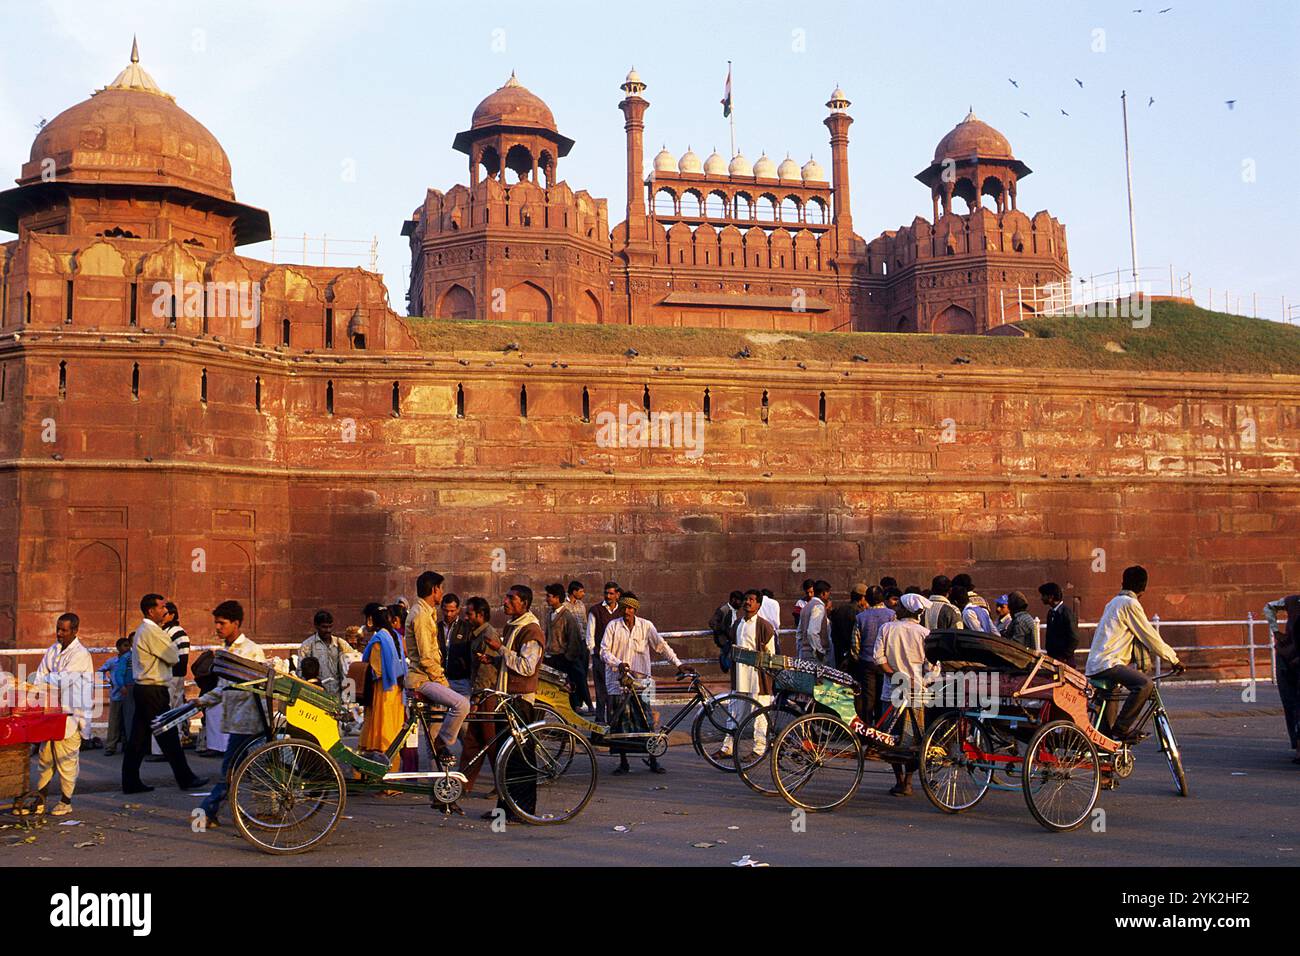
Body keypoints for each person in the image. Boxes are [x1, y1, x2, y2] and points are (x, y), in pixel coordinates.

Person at [194, 601, 274, 829]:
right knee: (238, 769)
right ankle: (214, 812)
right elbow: (223, 687)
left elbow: (257, 686)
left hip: (251, 720)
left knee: (234, 769)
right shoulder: (227, 652)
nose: (218, 627)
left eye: (222, 623)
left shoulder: (251, 650)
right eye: (216, 623)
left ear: (235, 624)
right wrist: (202, 700)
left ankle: (208, 811)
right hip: (237, 720)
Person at [1084, 566, 1184, 741]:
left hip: (1096, 664)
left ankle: (1106, 747)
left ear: (1123, 583)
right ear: (1143, 588)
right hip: (1108, 664)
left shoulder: (1114, 602)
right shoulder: (1130, 604)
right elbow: (1149, 635)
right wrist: (1173, 659)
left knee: (1106, 731)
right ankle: (1121, 729)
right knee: (1145, 685)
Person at [122, 593, 207, 794]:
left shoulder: (147, 630)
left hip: (146, 689)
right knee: (167, 735)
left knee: (138, 738)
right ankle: (185, 777)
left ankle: (130, 781)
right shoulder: (152, 631)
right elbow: (173, 656)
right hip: (153, 690)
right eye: (161, 607)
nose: (165, 610)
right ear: (151, 611)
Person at [480, 585, 546, 821]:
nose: (506, 601)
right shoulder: (513, 627)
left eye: (511, 598)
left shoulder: (531, 631)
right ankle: (505, 809)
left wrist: (501, 649)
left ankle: (524, 809)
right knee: (505, 756)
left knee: (520, 757)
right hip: (506, 699)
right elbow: (510, 663)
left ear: (524, 603)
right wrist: (494, 659)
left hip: (519, 701)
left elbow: (527, 667)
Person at [600, 593, 684, 774]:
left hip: (642, 683)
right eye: (623, 608)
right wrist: (618, 663)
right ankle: (623, 763)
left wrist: (679, 664)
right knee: (620, 724)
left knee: (646, 723)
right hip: (618, 682)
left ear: (635, 609)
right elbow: (604, 651)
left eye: (630, 608)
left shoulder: (646, 626)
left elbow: (662, 647)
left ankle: (653, 760)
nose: (626, 611)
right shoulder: (613, 626)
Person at [23, 613, 94, 816]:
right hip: (51, 712)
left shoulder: (80, 654)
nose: (59, 633)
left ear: (74, 631)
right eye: (58, 629)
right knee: (45, 758)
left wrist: (45, 679)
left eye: (64, 630)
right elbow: (40, 675)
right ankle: (41, 798)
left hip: (72, 714)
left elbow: (61, 680)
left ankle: (66, 801)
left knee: (66, 759)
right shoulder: (53, 650)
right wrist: (45, 679)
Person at [407, 571, 469, 766]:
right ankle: (443, 742)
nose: (442, 592)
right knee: (461, 705)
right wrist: (443, 683)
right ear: (434, 589)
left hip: (427, 678)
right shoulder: (421, 616)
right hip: (423, 679)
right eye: (441, 588)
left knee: (432, 732)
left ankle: (438, 789)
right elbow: (426, 658)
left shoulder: (425, 612)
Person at [874, 593, 933, 796]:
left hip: (890, 693)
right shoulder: (925, 633)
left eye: (898, 605)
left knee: (890, 738)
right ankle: (908, 782)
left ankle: (899, 780)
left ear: (904, 609)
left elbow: (878, 659)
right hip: (917, 694)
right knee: (913, 740)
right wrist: (920, 682)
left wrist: (895, 676)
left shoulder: (887, 629)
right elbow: (933, 668)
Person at [714, 590, 776, 761]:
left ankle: (759, 749)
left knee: (760, 716)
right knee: (734, 713)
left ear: (758, 605)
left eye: (752, 600)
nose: (748, 602)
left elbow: (771, 656)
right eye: (746, 599)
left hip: (759, 680)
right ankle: (728, 747)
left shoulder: (765, 626)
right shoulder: (737, 624)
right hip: (740, 677)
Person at [358, 602, 408, 770]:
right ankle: (391, 774)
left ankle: (380, 776)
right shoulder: (395, 636)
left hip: (382, 692)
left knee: (380, 734)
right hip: (397, 691)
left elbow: (377, 670)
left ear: (371, 619)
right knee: (392, 734)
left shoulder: (379, 639)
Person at [460, 596, 500, 795]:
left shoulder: (487, 635)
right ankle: (463, 783)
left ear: (480, 615)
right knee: (472, 742)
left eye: (470, 613)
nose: (466, 617)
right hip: (480, 694)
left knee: (490, 742)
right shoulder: (477, 634)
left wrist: (476, 699)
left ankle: (502, 784)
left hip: (486, 695)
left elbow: (486, 672)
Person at [1262, 594, 1300, 763]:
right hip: (1290, 657)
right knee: (1294, 704)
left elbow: (1269, 607)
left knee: (1293, 704)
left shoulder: (1293, 601)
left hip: (1289, 656)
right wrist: (1277, 632)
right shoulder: (1293, 601)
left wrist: (1276, 631)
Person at [852, 586, 896, 722]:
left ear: (868, 599)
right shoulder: (891, 615)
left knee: (868, 698)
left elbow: (855, 644)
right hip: (885, 663)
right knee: (883, 697)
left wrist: (858, 658)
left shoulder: (860, 617)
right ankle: (882, 727)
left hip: (867, 662)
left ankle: (868, 729)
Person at [542, 583, 586, 711]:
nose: (546, 599)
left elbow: (574, 638)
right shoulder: (550, 615)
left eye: (548, 596)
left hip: (563, 658)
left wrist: (567, 657)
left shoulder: (567, 616)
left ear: (556, 598)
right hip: (551, 657)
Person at [298, 609, 361, 698]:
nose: (328, 630)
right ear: (316, 626)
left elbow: (352, 666)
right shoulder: (307, 646)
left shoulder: (340, 644)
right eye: (324, 627)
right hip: (317, 695)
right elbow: (300, 673)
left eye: (330, 627)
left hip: (339, 696)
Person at [586, 582, 622, 722]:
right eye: (606, 593)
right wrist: (595, 654)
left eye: (611, 593)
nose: (608, 596)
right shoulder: (596, 610)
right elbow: (590, 635)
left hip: (617, 659)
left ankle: (615, 724)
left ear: (617, 595)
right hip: (600, 657)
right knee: (601, 694)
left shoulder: (621, 611)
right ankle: (600, 725)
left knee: (615, 693)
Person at [99, 636, 134, 755]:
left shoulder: (131, 659)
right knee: (114, 722)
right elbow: (100, 671)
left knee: (127, 720)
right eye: (124, 646)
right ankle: (110, 747)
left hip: (129, 695)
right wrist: (109, 681)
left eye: (128, 645)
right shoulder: (112, 662)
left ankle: (126, 744)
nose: (127, 648)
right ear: (118, 648)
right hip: (117, 695)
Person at [439, 593, 475, 700]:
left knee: (461, 713)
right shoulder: (436, 628)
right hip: (441, 680)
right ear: (441, 609)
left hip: (461, 681)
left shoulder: (467, 628)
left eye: (452, 611)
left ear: (458, 610)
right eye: (446, 610)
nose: (449, 614)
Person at [565, 582, 592, 711]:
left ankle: (580, 703)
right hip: (570, 644)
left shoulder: (581, 605)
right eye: (581, 591)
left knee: (583, 673)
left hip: (582, 642)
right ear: (574, 592)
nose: (583, 594)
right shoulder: (564, 605)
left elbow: (585, 624)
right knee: (574, 675)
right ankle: (575, 703)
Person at [1039, 583, 1080, 664]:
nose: (1041, 598)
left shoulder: (1066, 613)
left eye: (1043, 595)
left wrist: (1065, 656)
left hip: (1065, 660)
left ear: (1051, 597)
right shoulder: (1051, 613)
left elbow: (1074, 637)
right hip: (1054, 659)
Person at [830, 584, 868, 669]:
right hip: (852, 656)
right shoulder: (860, 613)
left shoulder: (838, 609)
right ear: (862, 598)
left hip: (838, 652)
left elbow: (833, 633)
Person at [796, 580, 832, 661]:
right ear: (823, 593)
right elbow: (812, 632)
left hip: (805, 653)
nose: (829, 596)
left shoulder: (806, 607)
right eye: (828, 593)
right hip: (814, 654)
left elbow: (799, 634)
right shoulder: (819, 607)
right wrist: (819, 651)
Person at [709, 591, 743, 674]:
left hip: (731, 640)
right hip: (725, 641)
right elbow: (712, 623)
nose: (741, 604)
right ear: (733, 600)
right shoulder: (724, 609)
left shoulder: (733, 611)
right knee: (726, 664)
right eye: (739, 601)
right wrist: (724, 630)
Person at [759, 589, 783, 655]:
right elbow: (777, 622)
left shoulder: (758, 602)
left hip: (758, 631)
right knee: (774, 655)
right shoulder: (774, 603)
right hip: (771, 631)